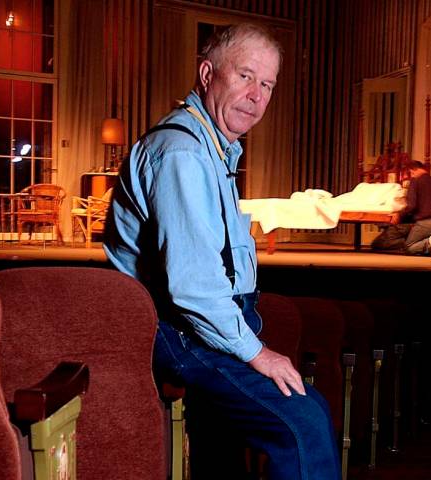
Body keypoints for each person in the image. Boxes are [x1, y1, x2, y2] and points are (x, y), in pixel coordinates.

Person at [104, 23, 340, 480]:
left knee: (231, 444)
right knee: (305, 424)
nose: (257, 95)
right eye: (246, 76)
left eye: (268, 84)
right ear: (208, 74)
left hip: (208, 321)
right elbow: (193, 288)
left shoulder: (214, 147)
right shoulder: (183, 153)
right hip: (181, 328)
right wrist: (257, 352)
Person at [371, 160, 431, 257]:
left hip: (425, 223)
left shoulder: (415, 181)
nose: (411, 176)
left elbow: (412, 206)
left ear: (412, 170)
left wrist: (399, 215)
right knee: (414, 240)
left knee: (409, 246)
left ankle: (429, 243)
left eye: (411, 174)